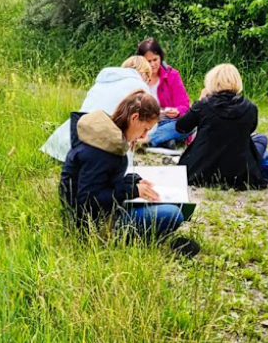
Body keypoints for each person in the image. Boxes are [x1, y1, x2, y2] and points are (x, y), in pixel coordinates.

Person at [60, 90, 198, 253]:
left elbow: (105, 181)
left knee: (163, 207)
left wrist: (134, 180)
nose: (143, 136)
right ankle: (153, 244)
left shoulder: (106, 139)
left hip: (104, 213)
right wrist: (131, 190)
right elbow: (88, 200)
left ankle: (153, 240)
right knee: (173, 214)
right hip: (93, 225)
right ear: (134, 118)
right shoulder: (100, 150)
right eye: (145, 129)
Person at [176, 64, 268, 190]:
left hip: (202, 169)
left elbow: (181, 127)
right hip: (239, 171)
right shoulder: (250, 108)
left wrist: (198, 101)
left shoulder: (204, 105)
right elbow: (250, 130)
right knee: (260, 139)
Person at [42, 56, 152, 162]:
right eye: (148, 78)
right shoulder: (140, 86)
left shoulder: (105, 80)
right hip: (98, 147)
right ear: (144, 73)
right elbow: (147, 122)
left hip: (65, 141)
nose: (148, 81)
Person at [136, 38, 191, 147]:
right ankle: (163, 140)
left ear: (161, 58)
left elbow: (184, 106)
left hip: (167, 121)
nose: (152, 65)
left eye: (155, 60)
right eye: (148, 61)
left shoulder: (172, 75)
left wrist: (177, 111)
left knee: (187, 125)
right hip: (143, 121)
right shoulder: (135, 77)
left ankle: (148, 140)